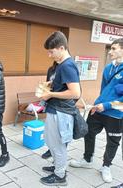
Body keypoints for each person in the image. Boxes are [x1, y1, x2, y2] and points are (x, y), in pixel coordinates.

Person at [69, 38, 123, 183]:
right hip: (99, 109)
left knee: (112, 141)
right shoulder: (108, 68)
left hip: (116, 114)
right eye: (110, 48)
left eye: (114, 48)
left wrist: (106, 105)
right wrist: (98, 104)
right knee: (88, 132)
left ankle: (106, 166)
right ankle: (87, 159)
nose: (110, 51)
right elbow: (104, 90)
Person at [39, 31, 81, 186]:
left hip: (61, 112)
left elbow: (75, 93)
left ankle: (60, 175)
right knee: (51, 142)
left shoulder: (68, 65)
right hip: (55, 109)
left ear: (61, 48)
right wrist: (49, 87)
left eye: (51, 51)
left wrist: (50, 94)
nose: (49, 55)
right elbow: (62, 87)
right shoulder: (60, 65)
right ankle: (57, 166)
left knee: (58, 145)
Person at [42, 61, 58, 159]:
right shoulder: (51, 69)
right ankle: (50, 150)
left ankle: (57, 155)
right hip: (51, 104)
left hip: (61, 106)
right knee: (50, 132)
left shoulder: (66, 68)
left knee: (59, 134)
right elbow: (47, 84)